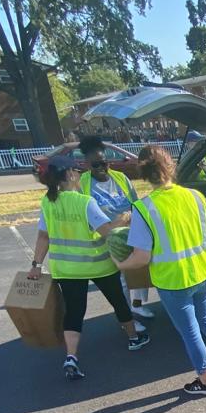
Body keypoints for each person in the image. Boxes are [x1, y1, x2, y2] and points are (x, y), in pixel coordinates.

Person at [115, 145, 206, 396]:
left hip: (173, 281)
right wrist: (201, 237)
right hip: (202, 273)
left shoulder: (144, 208)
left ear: (143, 174)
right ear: (171, 166)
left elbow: (141, 257)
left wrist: (120, 264)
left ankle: (205, 382)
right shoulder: (194, 196)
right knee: (205, 318)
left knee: (190, 330)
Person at [27, 156, 149, 381]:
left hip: (67, 269)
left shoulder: (48, 201)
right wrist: (123, 219)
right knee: (118, 302)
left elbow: (43, 236)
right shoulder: (85, 202)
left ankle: (71, 356)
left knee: (74, 312)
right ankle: (134, 338)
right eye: (77, 171)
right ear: (71, 176)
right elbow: (107, 231)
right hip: (98, 264)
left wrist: (36, 265)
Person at [76, 136, 154, 323]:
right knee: (122, 281)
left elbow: (135, 204)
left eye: (105, 163)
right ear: (87, 164)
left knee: (141, 268)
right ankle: (128, 317)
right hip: (105, 238)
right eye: (96, 165)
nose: (102, 168)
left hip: (130, 232)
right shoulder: (82, 184)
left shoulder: (120, 178)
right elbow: (84, 216)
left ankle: (137, 305)